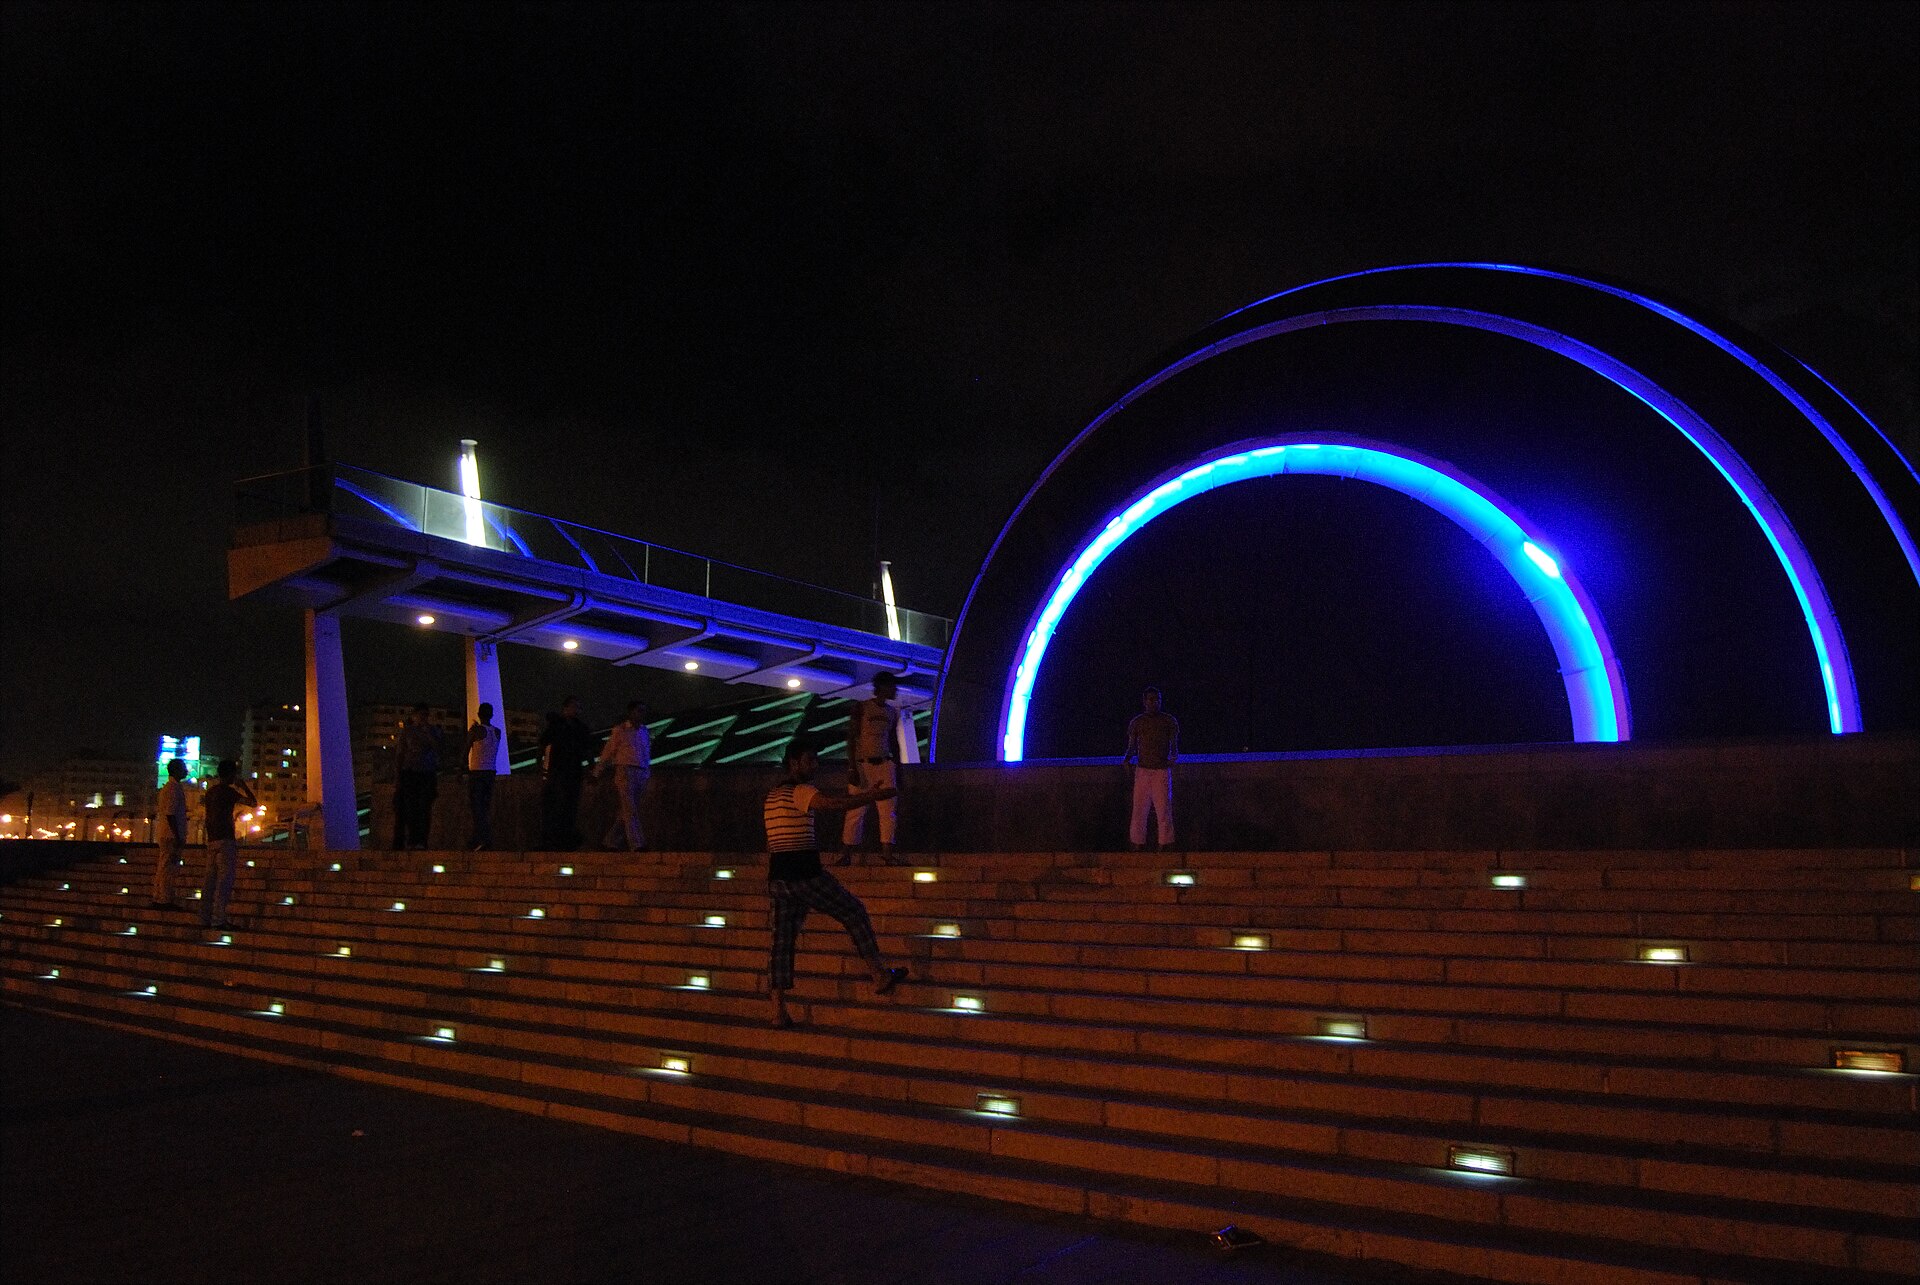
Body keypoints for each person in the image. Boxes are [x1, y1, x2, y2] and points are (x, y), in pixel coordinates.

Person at [764, 739, 908, 1028]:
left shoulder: (772, 795)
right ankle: (878, 974)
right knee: (853, 911)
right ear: (794, 763)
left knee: (782, 942)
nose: (814, 766)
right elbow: (832, 804)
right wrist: (871, 796)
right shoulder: (801, 791)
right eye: (809, 760)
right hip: (804, 874)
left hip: (779, 877)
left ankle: (778, 1010)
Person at [837, 671, 905, 865]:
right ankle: (846, 853)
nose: (895, 690)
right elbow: (852, 737)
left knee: (888, 811)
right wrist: (852, 767)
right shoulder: (861, 708)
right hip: (863, 764)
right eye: (892, 686)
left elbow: (893, 740)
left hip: (884, 763)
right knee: (855, 810)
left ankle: (887, 852)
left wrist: (898, 768)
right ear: (882, 687)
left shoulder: (892, 712)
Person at [199, 759, 256, 929]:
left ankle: (204, 917)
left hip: (212, 839)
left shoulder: (210, 792)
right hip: (226, 839)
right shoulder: (229, 792)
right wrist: (244, 786)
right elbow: (253, 803)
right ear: (231, 774)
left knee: (209, 881)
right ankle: (219, 918)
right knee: (224, 880)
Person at [1122, 685, 1180, 850]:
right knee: (1139, 808)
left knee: (1163, 808)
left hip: (1161, 769)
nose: (1154, 703)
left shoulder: (1169, 721)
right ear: (1145, 701)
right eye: (1151, 700)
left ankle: (1165, 843)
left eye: (1157, 700)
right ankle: (1138, 843)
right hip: (1143, 769)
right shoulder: (1137, 722)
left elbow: (1174, 745)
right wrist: (1127, 759)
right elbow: (1132, 745)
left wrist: (1173, 758)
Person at [538, 696, 595, 850]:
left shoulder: (578, 727)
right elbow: (543, 744)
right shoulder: (558, 726)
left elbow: (588, 749)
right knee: (561, 805)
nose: (578, 710)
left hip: (571, 772)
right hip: (560, 772)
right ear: (566, 708)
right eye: (575, 707)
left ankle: (563, 839)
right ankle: (559, 839)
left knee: (569, 806)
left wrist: (592, 767)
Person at [595, 701, 651, 851]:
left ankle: (610, 841)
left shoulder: (644, 731)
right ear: (630, 712)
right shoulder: (620, 731)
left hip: (641, 771)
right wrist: (597, 772)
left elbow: (646, 752)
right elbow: (608, 752)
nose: (641, 714)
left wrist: (646, 771)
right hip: (625, 770)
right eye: (639, 711)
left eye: (643, 711)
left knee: (628, 810)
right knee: (629, 808)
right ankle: (637, 844)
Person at [392, 703, 441, 850]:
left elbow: (439, 748)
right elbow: (400, 754)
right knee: (411, 807)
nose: (422, 718)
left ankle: (422, 841)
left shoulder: (433, 731)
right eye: (420, 715)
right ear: (414, 716)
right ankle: (412, 840)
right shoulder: (407, 732)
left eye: (425, 715)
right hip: (410, 772)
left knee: (425, 808)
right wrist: (398, 776)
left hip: (427, 773)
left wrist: (428, 734)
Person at [149, 757, 191, 909]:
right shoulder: (174, 788)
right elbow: (170, 813)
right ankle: (165, 899)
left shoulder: (169, 787)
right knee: (169, 868)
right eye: (183, 768)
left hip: (166, 833)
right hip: (170, 835)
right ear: (177, 770)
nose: (186, 770)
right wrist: (178, 835)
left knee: (164, 866)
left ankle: (159, 896)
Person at [465, 702, 503, 851]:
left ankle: (481, 838)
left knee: (476, 807)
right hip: (490, 773)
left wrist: (461, 769)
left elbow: (465, 751)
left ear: (479, 714)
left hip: (477, 773)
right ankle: (480, 839)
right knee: (485, 807)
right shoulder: (497, 732)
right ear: (492, 715)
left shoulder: (476, 731)